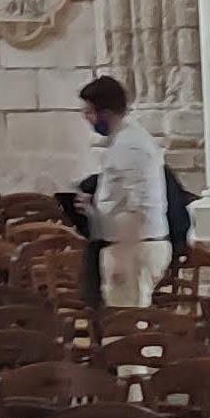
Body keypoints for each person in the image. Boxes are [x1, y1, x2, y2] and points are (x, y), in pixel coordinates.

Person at [78, 74, 167, 311]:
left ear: (106, 113)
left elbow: (137, 208)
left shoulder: (130, 145)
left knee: (127, 325)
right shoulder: (123, 140)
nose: (86, 118)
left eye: (89, 112)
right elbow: (121, 196)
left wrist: (123, 257)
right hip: (128, 246)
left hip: (135, 248)